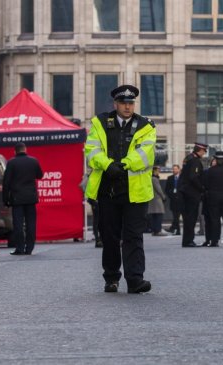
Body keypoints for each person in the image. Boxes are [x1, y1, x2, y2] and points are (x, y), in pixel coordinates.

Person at [84, 84, 156, 294]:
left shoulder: (146, 126)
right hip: (108, 188)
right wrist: (107, 165)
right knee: (110, 236)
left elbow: (146, 153)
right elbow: (91, 150)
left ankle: (135, 280)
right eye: (123, 103)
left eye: (131, 103)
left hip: (135, 191)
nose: (127, 106)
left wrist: (124, 164)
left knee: (134, 236)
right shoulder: (100, 123)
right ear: (115, 104)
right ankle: (111, 278)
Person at [2, 142, 44, 255]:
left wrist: (5, 198)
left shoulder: (11, 163)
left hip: (17, 198)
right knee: (31, 223)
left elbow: (6, 182)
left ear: (14, 151)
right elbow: (40, 175)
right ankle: (29, 248)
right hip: (31, 197)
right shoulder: (33, 161)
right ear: (25, 149)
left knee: (18, 224)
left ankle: (20, 248)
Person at [178, 142, 208, 247]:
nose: (204, 153)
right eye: (204, 151)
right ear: (200, 150)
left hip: (184, 192)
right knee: (191, 218)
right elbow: (193, 177)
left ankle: (186, 240)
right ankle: (188, 241)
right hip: (191, 193)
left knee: (187, 218)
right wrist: (202, 188)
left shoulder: (188, 158)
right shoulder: (195, 161)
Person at [203, 151, 223, 247]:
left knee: (215, 220)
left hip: (213, 197)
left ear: (215, 159)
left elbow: (206, 184)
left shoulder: (210, 171)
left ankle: (215, 240)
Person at [80, 172, 102, 248]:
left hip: (94, 199)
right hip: (96, 199)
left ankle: (98, 239)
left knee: (97, 219)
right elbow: (82, 185)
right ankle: (98, 239)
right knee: (98, 219)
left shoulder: (91, 173)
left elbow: (82, 185)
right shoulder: (93, 173)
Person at [148, 166, 167, 236]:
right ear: (154, 171)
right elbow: (158, 189)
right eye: (158, 170)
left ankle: (154, 230)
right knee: (159, 215)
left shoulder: (151, 178)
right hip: (157, 200)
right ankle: (158, 230)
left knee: (154, 216)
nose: (159, 171)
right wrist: (163, 197)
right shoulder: (154, 179)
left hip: (152, 200)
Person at [164, 164, 181, 235]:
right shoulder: (170, 178)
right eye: (173, 169)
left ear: (179, 170)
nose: (174, 170)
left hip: (181, 200)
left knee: (177, 216)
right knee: (175, 216)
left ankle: (173, 228)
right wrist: (171, 195)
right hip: (173, 200)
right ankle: (176, 229)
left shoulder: (182, 178)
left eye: (176, 169)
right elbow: (167, 189)